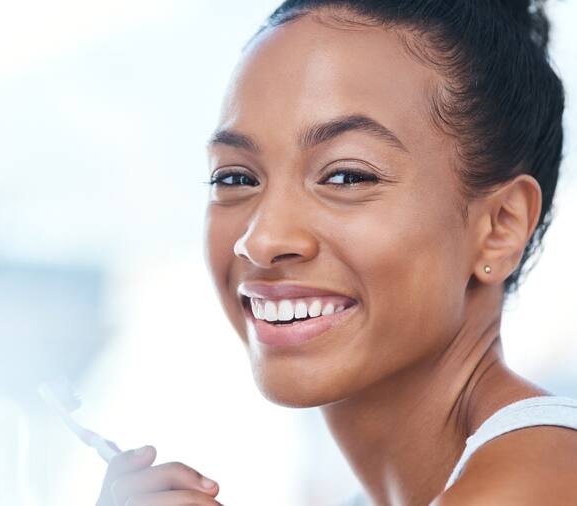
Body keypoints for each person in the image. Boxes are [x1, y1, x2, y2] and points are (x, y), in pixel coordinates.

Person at [95, 0, 577, 505]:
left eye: (346, 176)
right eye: (235, 177)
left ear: (499, 226)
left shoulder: (533, 485)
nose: (261, 240)